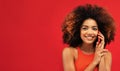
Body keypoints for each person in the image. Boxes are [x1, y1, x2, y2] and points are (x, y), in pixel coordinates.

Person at [62, 4, 116, 71]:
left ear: (100, 32)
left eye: (94, 28)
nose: (90, 32)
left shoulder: (106, 55)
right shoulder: (69, 52)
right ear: (78, 30)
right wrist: (95, 62)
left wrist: (100, 56)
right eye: (85, 28)